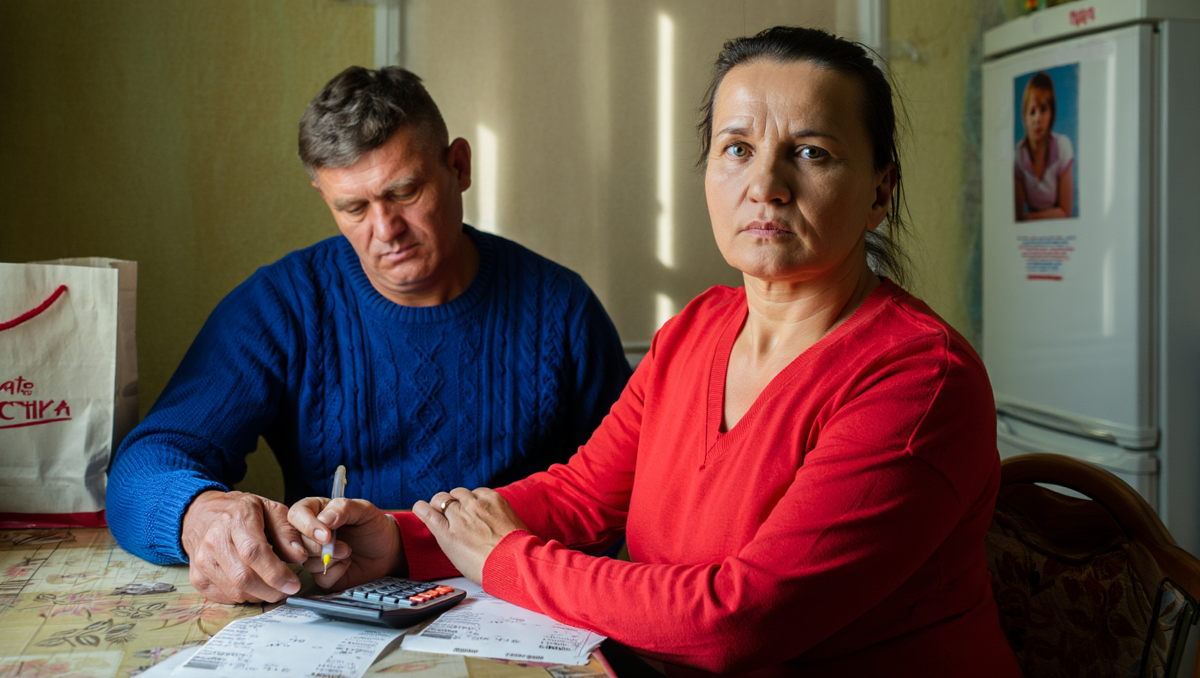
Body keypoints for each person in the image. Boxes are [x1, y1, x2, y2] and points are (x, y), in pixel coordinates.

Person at [289, 27, 1022, 676]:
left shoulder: (920, 380)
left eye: (811, 152)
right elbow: (580, 497)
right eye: (737, 149)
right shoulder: (696, 329)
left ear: (879, 191)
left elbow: (740, 619)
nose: (765, 186)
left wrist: (507, 560)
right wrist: (398, 539)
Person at [106, 66, 631, 605]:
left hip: (519, 605)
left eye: (404, 192)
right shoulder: (283, 306)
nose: (386, 230)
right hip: (343, 608)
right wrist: (197, 513)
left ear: (459, 166)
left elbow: (621, 499)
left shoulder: (561, 310)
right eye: (353, 207)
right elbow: (141, 469)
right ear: (323, 197)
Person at [1014, 71, 1074, 221]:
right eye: (1032, 112)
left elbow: (1065, 211)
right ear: (1024, 118)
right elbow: (1018, 217)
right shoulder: (1018, 156)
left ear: (1052, 114)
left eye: (1043, 109)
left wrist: (1031, 218)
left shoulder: (1062, 147)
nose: (1037, 119)